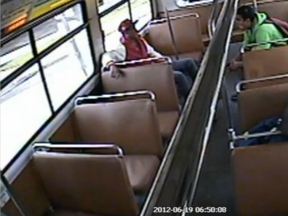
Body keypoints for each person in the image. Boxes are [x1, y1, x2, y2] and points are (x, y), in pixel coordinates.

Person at [101, 19, 200, 100]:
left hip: (155, 64)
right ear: (126, 33)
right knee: (179, 76)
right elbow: (106, 56)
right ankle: (193, 99)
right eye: (132, 29)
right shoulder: (122, 48)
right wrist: (111, 65)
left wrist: (162, 59)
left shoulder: (140, 40)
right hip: (147, 73)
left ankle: (200, 86)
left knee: (189, 63)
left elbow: (151, 52)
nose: (136, 30)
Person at [229, 5, 287, 71]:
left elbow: (262, 55)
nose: (237, 22)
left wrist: (239, 64)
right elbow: (247, 47)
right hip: (266, 48)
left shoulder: (263, 30)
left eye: (239, 20)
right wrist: (236, 59)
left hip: (281, 52)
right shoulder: (249, 29)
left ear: (247, 21)